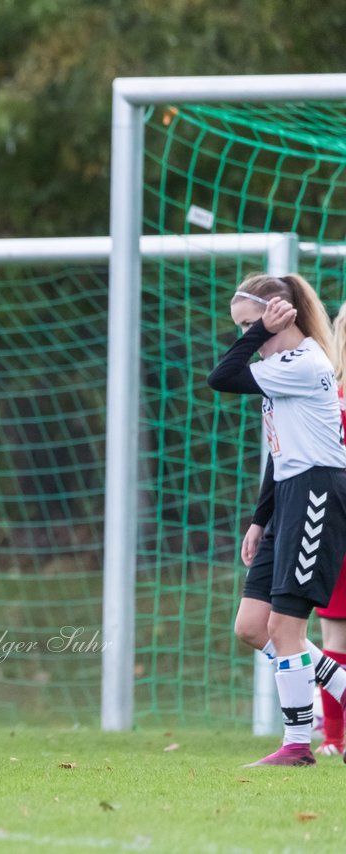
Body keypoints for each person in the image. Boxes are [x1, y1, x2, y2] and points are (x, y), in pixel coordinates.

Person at [207, 273, 346, 766]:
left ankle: (295, 746)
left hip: (316, 495)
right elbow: (279, 452)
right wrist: (258, 519)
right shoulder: (280, 367)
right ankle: (341, 688)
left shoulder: (303, 363)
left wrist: (259, 333)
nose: (247, 337)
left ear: (276, 315)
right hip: (289, 493)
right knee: (251, 626)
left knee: (286, 629)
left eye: (249, 325)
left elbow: (220, 377)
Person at [312, 302, 346, 757]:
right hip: (336, 528)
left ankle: (334, 738)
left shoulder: (327, 399)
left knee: (334, 638)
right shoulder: (328, 398)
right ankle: (333, 737)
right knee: (334, 637)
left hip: (332, 527)